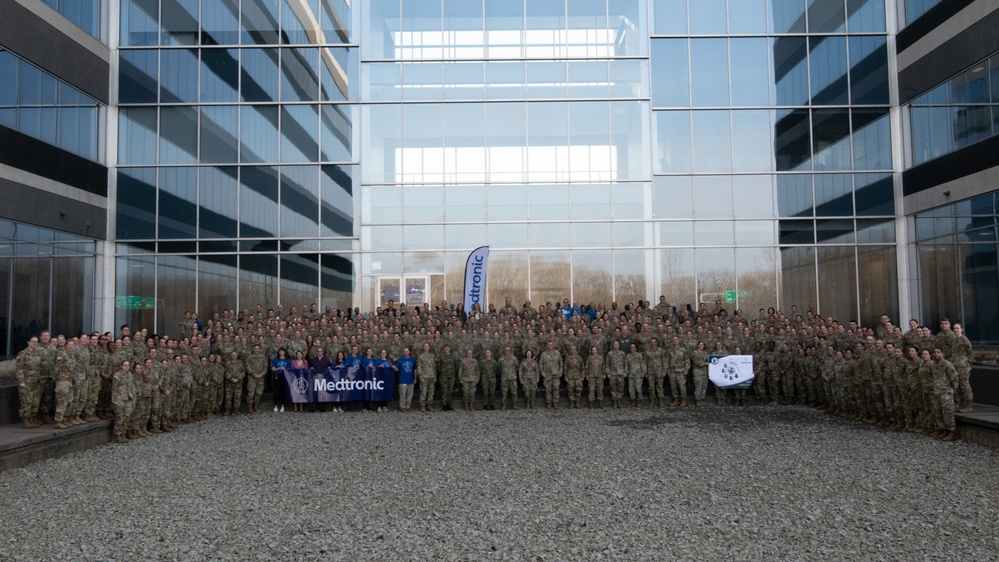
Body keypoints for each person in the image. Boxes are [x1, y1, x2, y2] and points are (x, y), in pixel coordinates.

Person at [15, 336, 42, 428]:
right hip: (27, 382)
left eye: (36, 342)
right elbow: (19, 369)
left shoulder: (37, 353)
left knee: (35, 402)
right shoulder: (23, 354)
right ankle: (26, 420)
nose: (34, 343)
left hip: (36, 382)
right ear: (28, 342)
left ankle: (32, 419)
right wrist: (21, 381)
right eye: (32, 341)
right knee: (27, 402)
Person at [111, 360, 135, 443]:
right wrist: (115, 401)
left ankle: (123, 434)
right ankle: (118, 434)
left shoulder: (130, 375)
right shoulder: (117, 376)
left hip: (128, 398)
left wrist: (133, 398)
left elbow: (132, 387)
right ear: (121, 366)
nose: (126, 367)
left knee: (127, 416)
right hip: (120, 398)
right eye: (124, 365)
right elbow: (114, 389)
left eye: (128, 365)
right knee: (120, 417)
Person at [539, 341, 563, 409]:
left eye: (551, 344)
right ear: (546, 345)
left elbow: (561, 363)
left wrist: (560, 372)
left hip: (556, 374)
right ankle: (549, 402)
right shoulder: (543, 354)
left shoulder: (557, 353)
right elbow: (541, 364)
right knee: (547, 389)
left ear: (553, 345)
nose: (550, 345)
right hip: (547, 374)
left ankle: (555, 402)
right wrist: (542, 373)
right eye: (548, 344)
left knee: (556, 388)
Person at [244, 344, 268, 413]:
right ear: (253, 349)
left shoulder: (263, 358)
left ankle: (256, 407)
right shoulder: (249, 358)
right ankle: (250, 408)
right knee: (251, 393)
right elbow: (247, 367)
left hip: (261, 377)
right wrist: (253, 374)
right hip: (252, 378)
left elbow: (265, 367)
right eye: (255, 348)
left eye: (258, 348)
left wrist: (262, 374)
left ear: (260, 349)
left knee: (259, 393)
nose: (257, 350)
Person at [605, 340, 627, 408]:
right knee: (613, 388)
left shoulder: (622, 353)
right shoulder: (610, 354)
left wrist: (625, 372)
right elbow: (607, 364)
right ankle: (614, 402)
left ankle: (619, 401)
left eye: (617, 344)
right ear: (613, 345)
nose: (616, 345)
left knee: (620, 388)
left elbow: (625, 364)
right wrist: (608, 373)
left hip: (621, 374)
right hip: (613, 374)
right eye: (615, 344)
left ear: (619, 345)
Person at [625, 343, 646, 408]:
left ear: (636, 348)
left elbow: (643, 364)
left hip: (638, 374)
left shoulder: (639, 355)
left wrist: (643, 372)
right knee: (631, 389)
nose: (632, 348)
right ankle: (633, 401)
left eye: (634, 347)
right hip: (631, 374)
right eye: (631, 347)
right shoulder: (628, 356)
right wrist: (626, 372)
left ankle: (640, 401)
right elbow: (626, 365)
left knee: (638, 388)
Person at [498, 346, 519, 410]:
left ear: (510, 351)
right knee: (504, 392)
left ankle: (515, 404)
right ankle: (504, 405)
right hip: (504, 378)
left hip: (512, 378)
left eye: (508, 350)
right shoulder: (501, 359)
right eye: (506, 350)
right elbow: (499, 369)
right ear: (504, 351)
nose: (507, 351)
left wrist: (513, 373)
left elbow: (517, 367)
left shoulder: (514, 358)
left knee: (514, 392)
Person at [271, 347, 290, 413]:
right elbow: (273, 369)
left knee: (283, 391)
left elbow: (289, 370)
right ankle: (276, 406)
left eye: (282, 351)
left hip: (285, 376)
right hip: (277, 376)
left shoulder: (288, 360)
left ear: (284, 352)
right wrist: (279, 368)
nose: (281, 352)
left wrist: (285, 370)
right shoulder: (275, 360)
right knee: (276, 391)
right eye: (280, 351)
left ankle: (283, 405)